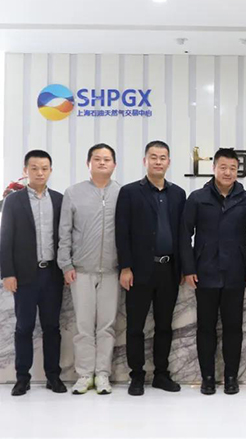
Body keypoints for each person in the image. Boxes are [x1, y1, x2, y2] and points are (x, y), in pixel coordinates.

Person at [181, 148, 246, 395]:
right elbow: (184, 235)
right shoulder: (197, 198)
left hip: (236, 274)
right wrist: (189, 268)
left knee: (233, 328)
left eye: (233, 168)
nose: (228, 172)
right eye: (223, 167)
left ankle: (230, 377)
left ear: (238, 171)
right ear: (214, 168)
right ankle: (207, 377)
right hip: (204, 273)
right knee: (205, 328)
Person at [115, 140, 186, 396]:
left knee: (164, 325)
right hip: (139, 271)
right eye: (153, 157)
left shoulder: (178, 194)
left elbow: (182, 234)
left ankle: (161, 374)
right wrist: (125, 267)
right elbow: (122, 232)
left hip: (169, 270)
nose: (158, 161)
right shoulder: (130, 192)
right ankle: (136, 375)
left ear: (169, 162)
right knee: (135, 326)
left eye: (162, 157)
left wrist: (182, 268)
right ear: (145, 161)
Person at [58, 143, 121, 395]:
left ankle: (103, 374)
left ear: (114, 164)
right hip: (81, 270)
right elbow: (64, 232)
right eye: (97, 159)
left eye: (107, 159)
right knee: (83, 326)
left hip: (112, 271)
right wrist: (66, 264)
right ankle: (84, 374)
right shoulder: (73, 193)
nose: (102, 163)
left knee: (107, 326)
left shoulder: (122, 193)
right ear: (88, 163)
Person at [1, 150, 66, 396]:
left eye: (44, 168)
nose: (40, 173)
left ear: (50, 170)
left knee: (52, 327)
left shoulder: (59, 200)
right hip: (24, 276)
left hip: (52, 275)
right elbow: (6, 238)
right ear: (25, 170)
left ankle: (53, 377)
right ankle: (22, 378)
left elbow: (65, 237)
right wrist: (8, 273)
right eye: (35, 168)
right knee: (24, 327)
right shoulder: (13, 201)